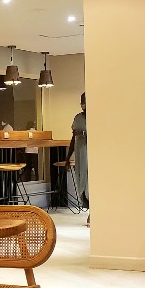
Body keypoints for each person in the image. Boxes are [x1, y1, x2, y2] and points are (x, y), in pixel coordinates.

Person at [67, 92, 89, 224]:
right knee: (81, 182)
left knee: (89, 183)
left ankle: (93, 213)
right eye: (82, 103)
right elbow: (73, 138)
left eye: (85, 102)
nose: (83, 105)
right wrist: (68, 157)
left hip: (91, 156)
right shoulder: (78, 118)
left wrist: (84, 133)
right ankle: (88, 207)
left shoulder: (97, 117)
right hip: (80, 155)